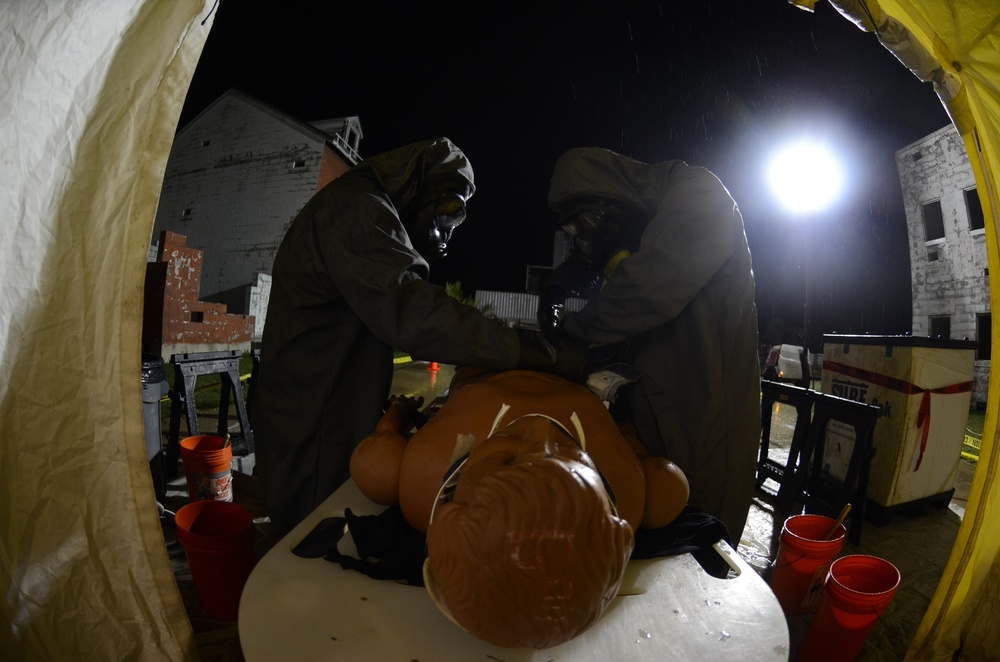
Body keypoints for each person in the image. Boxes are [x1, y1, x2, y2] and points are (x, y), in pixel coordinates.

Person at [253, 138, 585, 536]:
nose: (444, 242)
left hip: (326, 404)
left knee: (327, 526)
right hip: (312, 419)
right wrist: (529, 350)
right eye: (447, 213)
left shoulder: (359, 209)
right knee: (311, 539)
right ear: (417, 186)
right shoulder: (355, 208)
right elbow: (413, 313)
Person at [349, 367, 691, 648]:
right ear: (613, 521)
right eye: (564, 451)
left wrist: (400, 410)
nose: (540, 427)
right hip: (571, 370)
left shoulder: (417, 477)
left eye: (508, 458)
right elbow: (663, 479)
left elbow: (379, 447)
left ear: (456, 505)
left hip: (483, 367)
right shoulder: (631, 490)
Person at [536, 147, 761, 545]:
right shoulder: (647, 224)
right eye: (573, 230)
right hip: (655, 403)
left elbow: (644, 290)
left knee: (702, 531)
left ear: (615, 198)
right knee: (661, 521)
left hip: (705, 404)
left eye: (588, 221)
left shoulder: (698, 195)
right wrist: (558, 282)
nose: (585, 238)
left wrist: (569, 332)